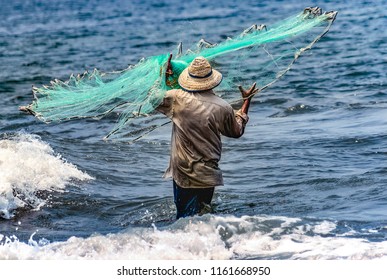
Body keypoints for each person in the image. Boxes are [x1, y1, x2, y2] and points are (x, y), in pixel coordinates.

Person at [157, 56, 258, 219]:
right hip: (208, 173)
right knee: (203, 215)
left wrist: (164, 74)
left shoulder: (176, 98)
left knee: (184, 219)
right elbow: (237, 131)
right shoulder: (223, 106)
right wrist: (246, 101)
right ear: (211, 79)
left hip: (185, 172)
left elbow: (152, 98)